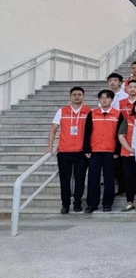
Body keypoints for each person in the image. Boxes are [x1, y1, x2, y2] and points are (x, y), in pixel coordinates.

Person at [46, 86, 91, 214]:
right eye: (74, 94)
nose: (77, 97)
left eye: (79, 94)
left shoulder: (89, 111)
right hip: (64, 151)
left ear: (83, 96)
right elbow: (53, 129)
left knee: (80, 179)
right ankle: (65, 204)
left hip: (81, 152)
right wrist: (50, 147)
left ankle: (77, 203)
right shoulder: (62, 111)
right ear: (70, 97)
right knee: (64, 180)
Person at [83, 90, 123, 213]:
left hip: (110, 152)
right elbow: (87, 132)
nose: (104, 100)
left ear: (112, 100)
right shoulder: (92, 113)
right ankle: (92, 204)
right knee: (93, 179)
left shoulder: (118, 114)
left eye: (107, 98)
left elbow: (120, 134)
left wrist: (117, 151)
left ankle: (107, 204)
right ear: (99, 100)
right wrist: (87, 148)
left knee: (109, 179)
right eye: (102, 98)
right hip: (95, 151)